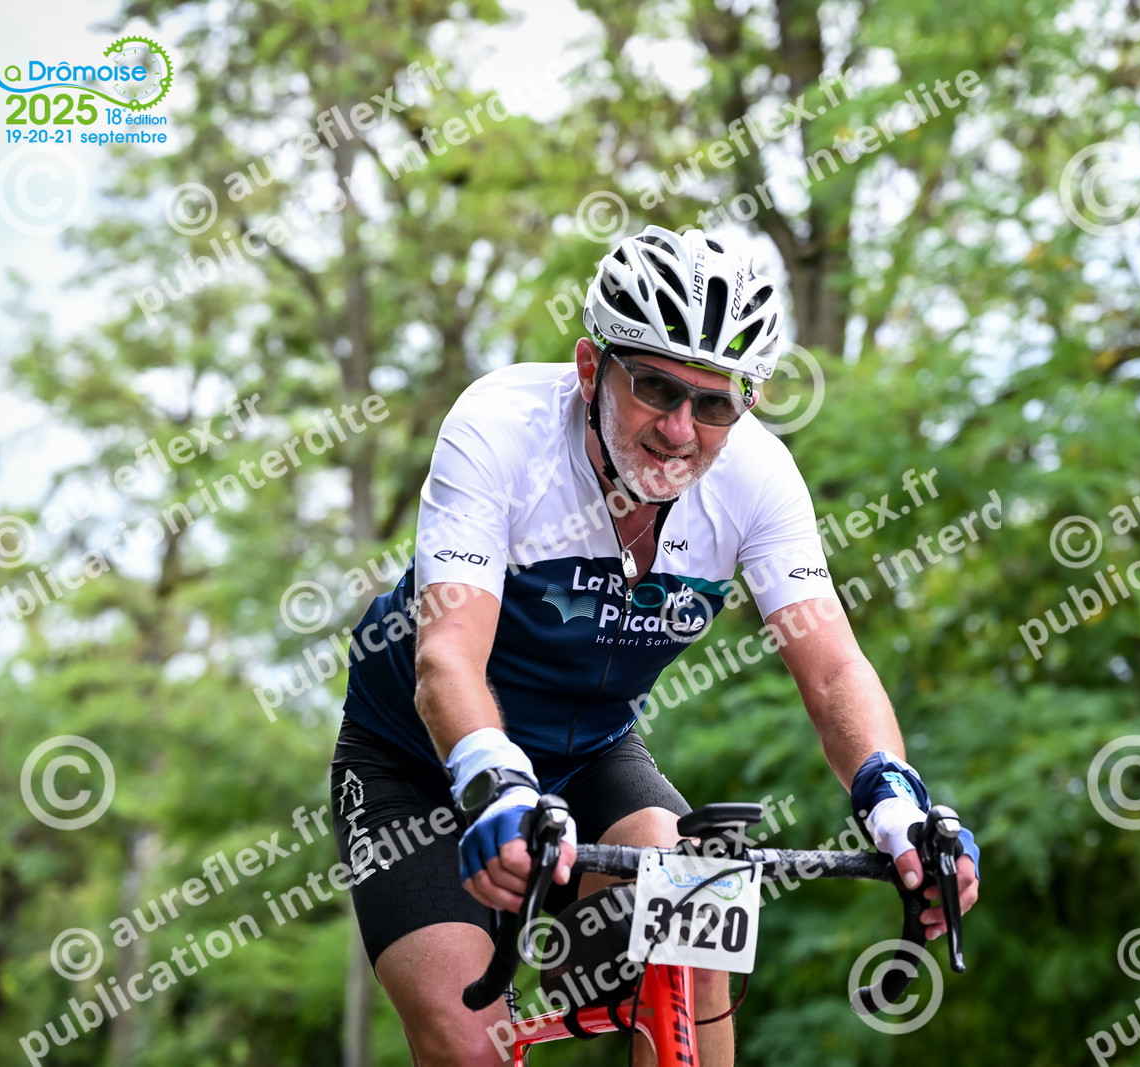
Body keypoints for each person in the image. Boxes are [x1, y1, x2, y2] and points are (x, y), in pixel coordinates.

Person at [329, 225, 979, 1065]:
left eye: (715, 403)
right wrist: (493, 779)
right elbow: (445, 658)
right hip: (416, 761)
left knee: (697, 927)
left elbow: (833, 671)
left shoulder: (757, 476)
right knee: (471, 1040)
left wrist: (896, 803)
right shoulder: (499, 428)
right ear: (590, 368)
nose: (680, 429)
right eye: (656, 387)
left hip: (589, 756)